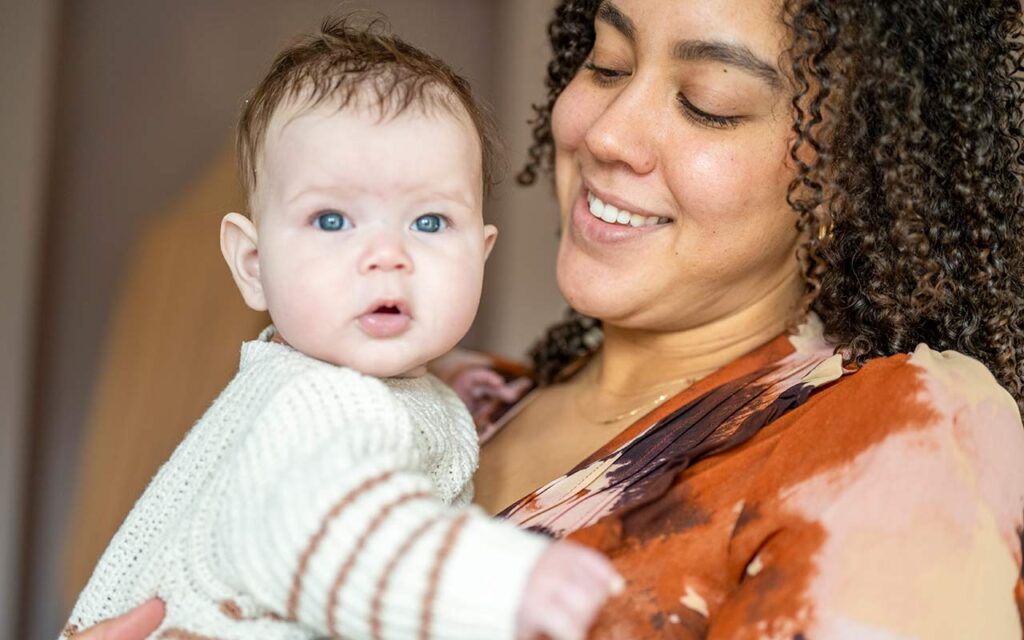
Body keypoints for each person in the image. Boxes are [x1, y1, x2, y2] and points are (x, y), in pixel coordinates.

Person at [77, 0, 1024, 637]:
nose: (606, 133)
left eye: (709, 105)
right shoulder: (444, 401)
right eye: (606, 64)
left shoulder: (901, 434)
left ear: (848, 177)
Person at [61, 17, 620, 640]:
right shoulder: (318, 402)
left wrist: (442, 376)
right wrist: (511, 585)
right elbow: (344, 533)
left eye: (430, 223)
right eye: (332, 221)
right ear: (253, 265)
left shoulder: (333, 383)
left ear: (480, 256)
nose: (387, 255)